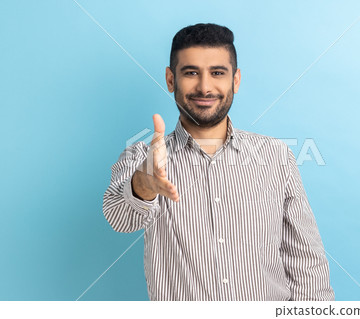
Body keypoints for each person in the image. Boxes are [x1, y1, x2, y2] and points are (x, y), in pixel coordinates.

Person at [103, 23, 334, 301]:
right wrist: (143, 185)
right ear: (170, 79)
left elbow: (306, 262)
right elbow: (119, 218)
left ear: (235, 80)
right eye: (191, 73)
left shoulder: (276, 156)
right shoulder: (142, 158)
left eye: (217, 73)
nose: (205, 86)